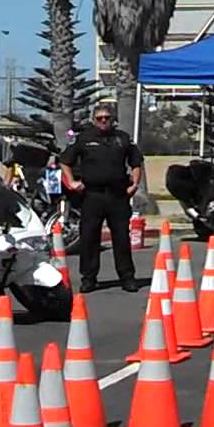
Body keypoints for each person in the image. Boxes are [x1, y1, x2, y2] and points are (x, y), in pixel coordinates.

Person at [61, 101, 144, 293]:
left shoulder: (122, 138)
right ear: (93, 120)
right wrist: (72, 182)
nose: (104, 121)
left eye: (107, 118)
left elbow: (136, 161)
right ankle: (89, 278)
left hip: (118, 195)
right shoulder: (83, 138)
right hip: (92, 195)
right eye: (100, 118)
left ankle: (127, 277)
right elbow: (65, 161)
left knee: (122, 238)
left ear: (113, 119)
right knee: (89, 238)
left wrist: (135, 184)